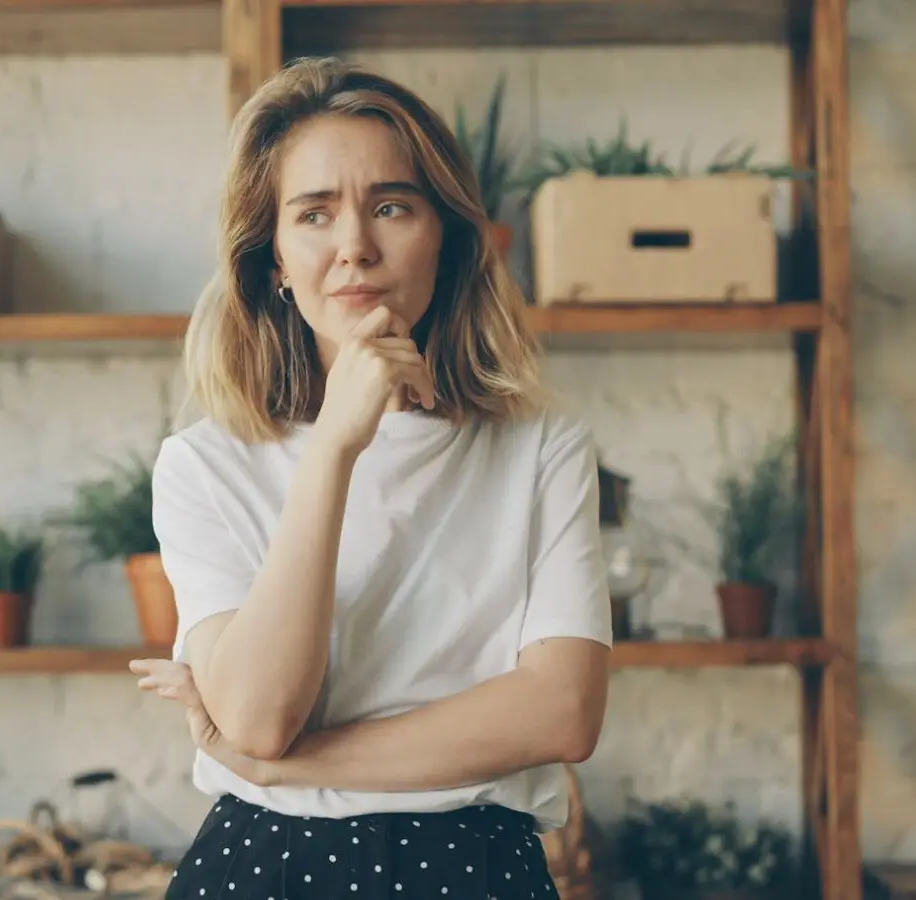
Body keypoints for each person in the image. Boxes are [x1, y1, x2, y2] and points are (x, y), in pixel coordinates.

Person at [127, 57, 612, 900]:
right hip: (262, 869)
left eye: (392, 206)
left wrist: (291, 768)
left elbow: (563, 713)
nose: (354, 246)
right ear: (273, 257)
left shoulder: (542, 446)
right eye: (314, 214)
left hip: (478, 870)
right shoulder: (204, 464)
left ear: (448, 237)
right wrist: (336, 447)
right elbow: (257, 716)